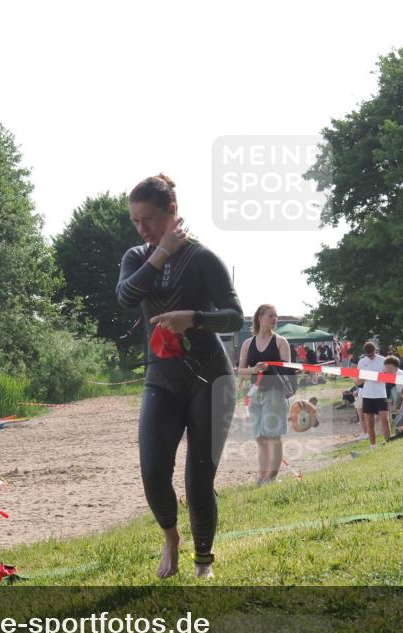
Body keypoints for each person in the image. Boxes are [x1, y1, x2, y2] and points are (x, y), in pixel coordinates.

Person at [116, 174, 243, 579]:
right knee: (153, 471)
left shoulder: (203, 258)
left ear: (172, 211)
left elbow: (234, 317)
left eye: (149, 219)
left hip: (211, 377)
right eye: (135, 221)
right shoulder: (136, 257)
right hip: (162, 379)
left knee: (199, 478)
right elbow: (126, 296)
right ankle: (171, 537)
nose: (142, 228)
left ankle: (203, 562)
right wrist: (159, 253)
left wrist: (195, 319)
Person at [237, 304, 292, 486]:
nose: (275, 319)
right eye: (271, 315)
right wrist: (254, 369)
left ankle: (272, 478)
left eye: (276, 316)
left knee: (273, 436)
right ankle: (262, 477)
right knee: (260, 437)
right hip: (255, 394)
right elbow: (241, 371)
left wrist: (270, 367)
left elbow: (288, 370)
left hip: (275, 393)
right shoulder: (247, 344)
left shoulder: (281, 342)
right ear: (260, 318)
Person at [355, 341, 390, 446]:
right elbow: (357, 382)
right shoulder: (361, 362)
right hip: (367, 395)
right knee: (370, 423)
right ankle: (373, 446)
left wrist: (379, 376)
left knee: (385, 420)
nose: (370, 356)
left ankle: (388, 443)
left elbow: (389, 377)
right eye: (368, 355)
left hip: (381, 394)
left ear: (375, 350)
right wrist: (366, 377)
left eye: (372, 354)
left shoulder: (383, 360)